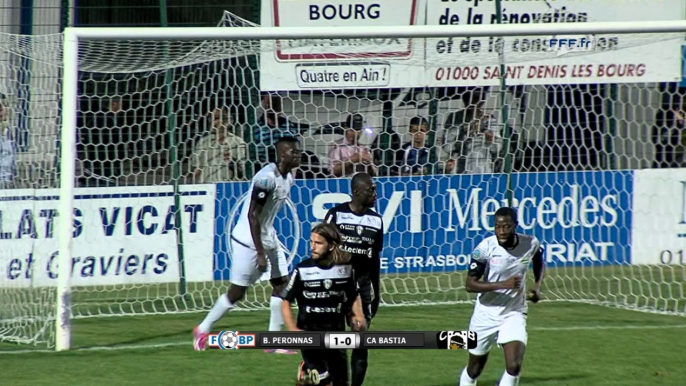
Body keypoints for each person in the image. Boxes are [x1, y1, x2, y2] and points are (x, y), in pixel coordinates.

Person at [193, 136, 302, 354]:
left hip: (269, 236)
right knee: (237, 293)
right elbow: (253, 215)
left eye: (298, 151)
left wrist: (268, 242)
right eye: (294, 152)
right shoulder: (265, 179)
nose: (298, 155)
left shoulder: (289, 177)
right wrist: (260, 253)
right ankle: (203, 329)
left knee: (282, 284)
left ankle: (273, 341)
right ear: (282, 155)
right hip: (249, 241)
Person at [459, 206, 545, 386]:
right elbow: (470, 284)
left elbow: (539, 260)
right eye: (498, 227)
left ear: (515, 225)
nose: (502, 231)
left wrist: (537, 286)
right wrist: (502, 285)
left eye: (506, 226)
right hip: (485, 314)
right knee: (474, 370)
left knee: (514, 366)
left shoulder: (530, 243)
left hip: (514, 312)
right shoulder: (485, 248)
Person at [282, 223, 367, 386]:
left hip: (336, 332)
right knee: (323, 380)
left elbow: (353, 295)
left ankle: (306, 373)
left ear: (331, 245)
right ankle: (310, 370)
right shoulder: (302, 270)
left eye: (318, 243)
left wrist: (359, 315)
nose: (312, 247)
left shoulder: (345, 269)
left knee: (341, 381)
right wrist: (292, 329)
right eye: (311, 242)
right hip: (309, 332)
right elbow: (286, 300)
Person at [323, 172, 383, 386]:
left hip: (362, 287)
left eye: (375, 189)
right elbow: (323, 253)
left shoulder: (376, 220)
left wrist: (377, 292)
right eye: (371, 190)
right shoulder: (335, 215)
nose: (375, 193)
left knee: (361, 337)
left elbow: (375, 257)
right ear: (356, 191)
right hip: (337, 286)